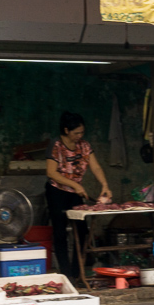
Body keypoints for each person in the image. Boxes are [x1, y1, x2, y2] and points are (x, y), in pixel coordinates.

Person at [45, 111, 111, 277]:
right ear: (66, 130)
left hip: (75, 193)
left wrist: (105, 185)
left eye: (82, 132)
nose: (79, 136)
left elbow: (95, 167)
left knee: (81, 232)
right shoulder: (57, 146)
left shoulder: (84, 146)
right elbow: (51, 172)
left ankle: (77, 272)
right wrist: (74, 184)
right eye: (76, 133)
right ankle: (65, 274)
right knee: (60, 233)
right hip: (56, 192)